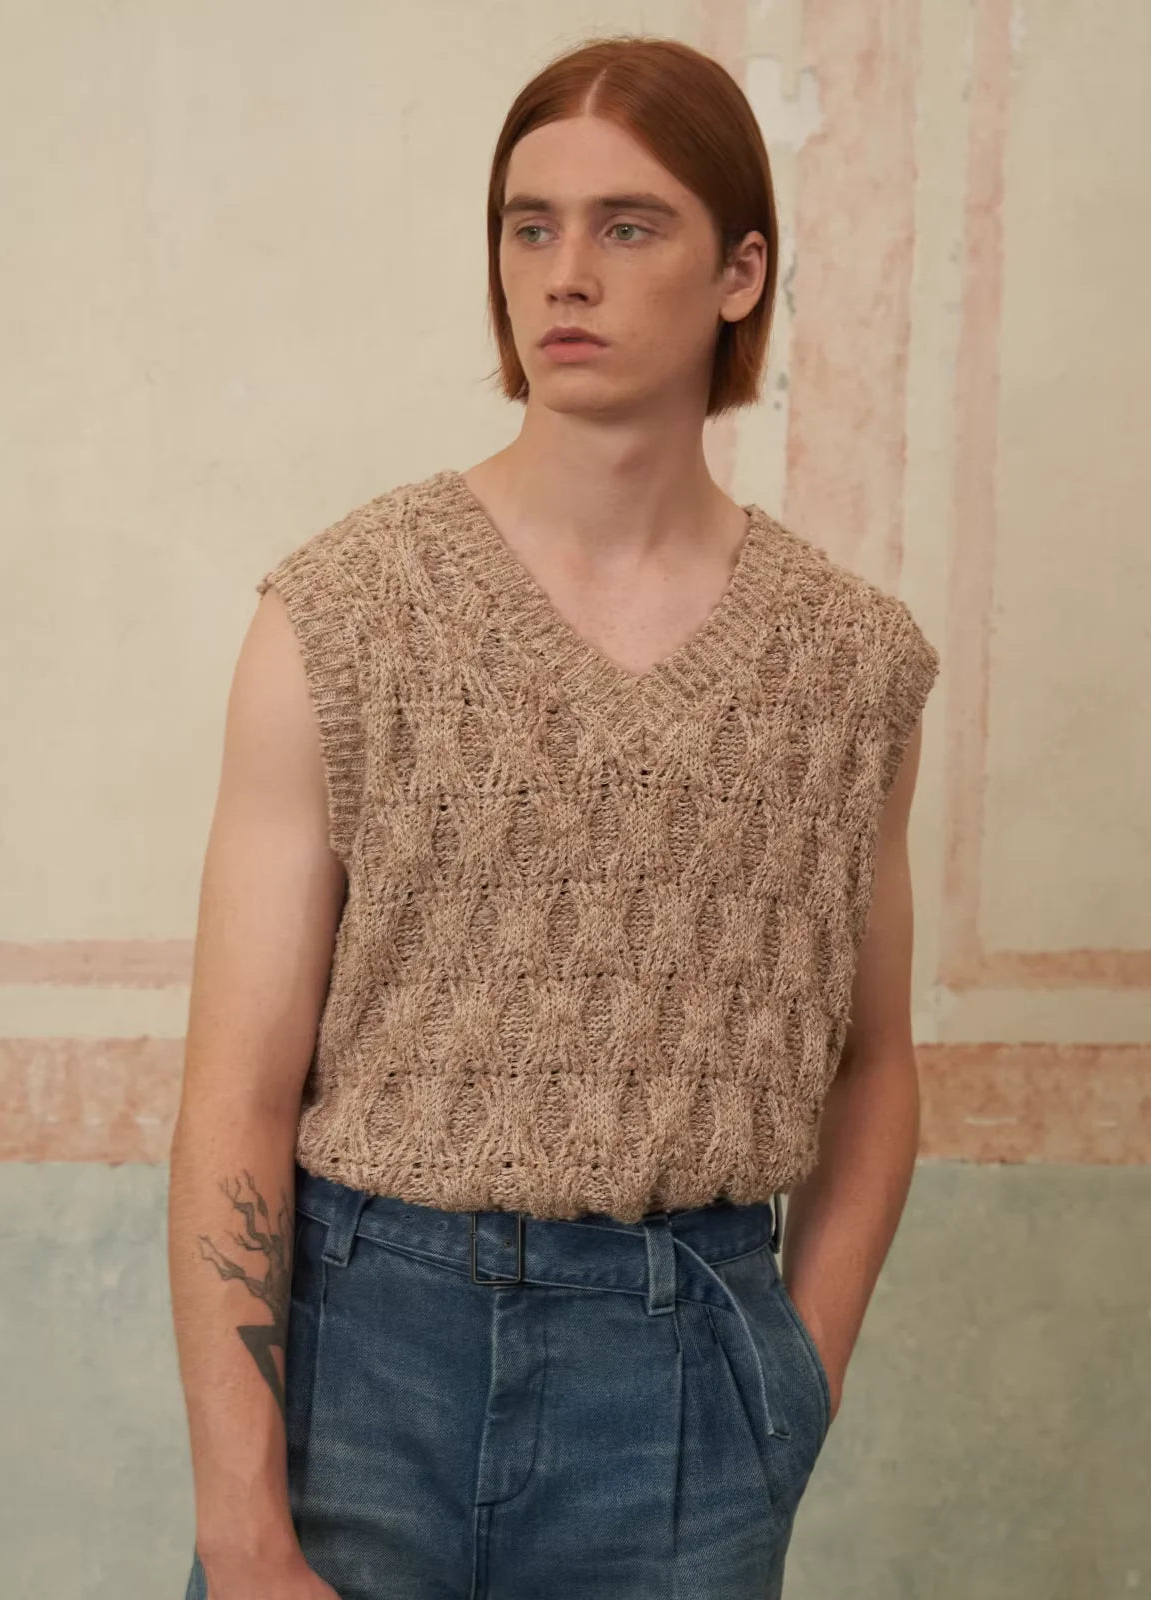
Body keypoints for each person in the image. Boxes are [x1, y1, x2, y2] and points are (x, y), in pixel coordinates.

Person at [169, 32, 940, 1600]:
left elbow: (873, 1064)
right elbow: (235, 1094)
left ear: (740, 273)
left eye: (626, 225)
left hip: (686, 1387)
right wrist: (242, 1524)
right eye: (531, 226)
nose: (565, 273)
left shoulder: (850, 663)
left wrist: (791, 1388)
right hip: (358, 1369)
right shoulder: (343, 612)